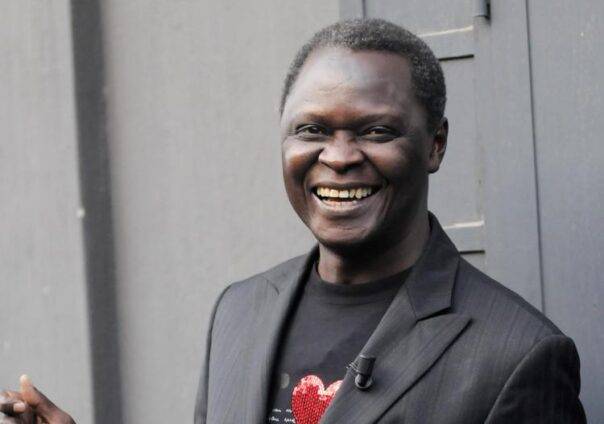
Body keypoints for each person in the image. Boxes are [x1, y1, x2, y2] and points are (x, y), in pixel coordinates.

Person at [1, 18, 586, 424]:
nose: (339, 156)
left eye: (375, 130)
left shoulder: (517, 355)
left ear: (434, 144)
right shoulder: (239, 311)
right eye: (312, 130)